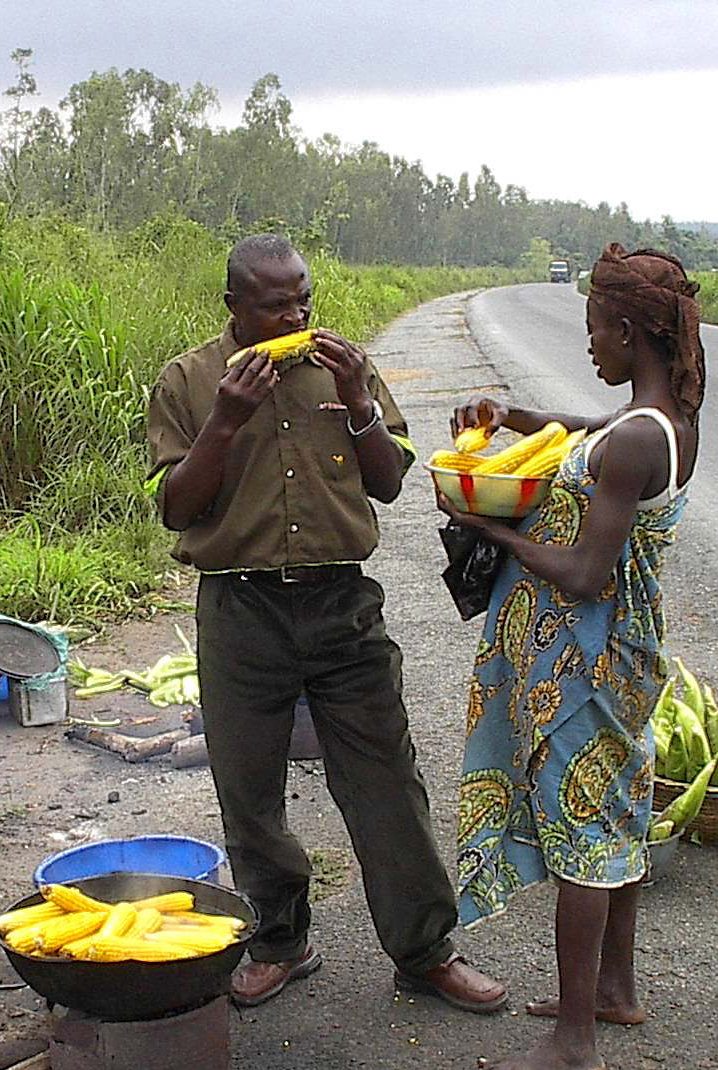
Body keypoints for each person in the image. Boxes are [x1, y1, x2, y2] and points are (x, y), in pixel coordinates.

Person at [145, 234, 506, 1013]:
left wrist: (364, 407)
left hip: (342, 605)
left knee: (385, 782)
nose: (296, 313)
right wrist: (226, 421)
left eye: (303, 298)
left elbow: (389, 482)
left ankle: (424, 951)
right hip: (241, 608)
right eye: (276, 303)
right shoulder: (190, 379)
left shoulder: (343, 369)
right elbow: (177, 506)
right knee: (249, 792)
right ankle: (280, 940)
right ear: (235, 305)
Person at [438, 244, 704, 1070]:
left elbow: (587, 575)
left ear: (627, 330)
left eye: (594, 329)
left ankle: (575, 1043)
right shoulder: (658, 423)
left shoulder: (633, 443)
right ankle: (615, 990)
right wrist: (515, 418)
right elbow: (589, 434)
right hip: (623, 652)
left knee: (582, 830)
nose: (589, 343)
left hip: (588, 661)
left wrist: (493, 532)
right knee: (616, 816)